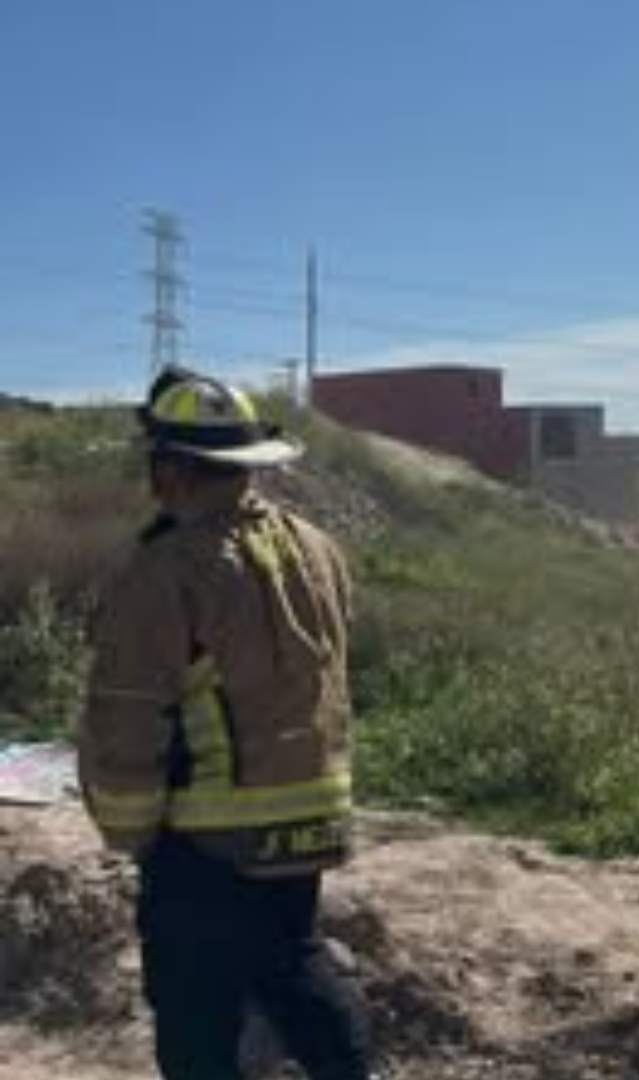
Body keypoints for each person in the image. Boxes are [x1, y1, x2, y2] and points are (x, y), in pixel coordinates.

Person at [79, 368, 376, 1080]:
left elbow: (125, 718)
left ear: (171, 470)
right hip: (310, 818)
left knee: (194, 1017)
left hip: (208, 840)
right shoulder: (316, 548)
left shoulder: (165, 572)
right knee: (294, 970)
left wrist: (132, 832)